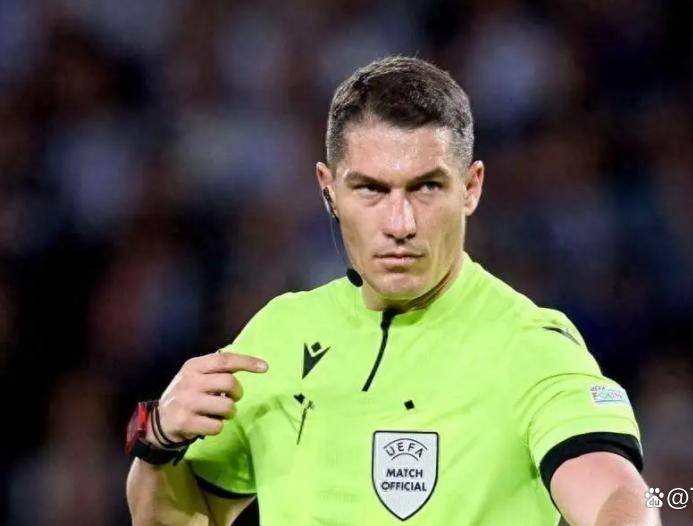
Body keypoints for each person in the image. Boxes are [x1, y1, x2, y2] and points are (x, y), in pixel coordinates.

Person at [125, 56, 660, 526]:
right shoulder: (278, 335)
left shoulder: (531, 346)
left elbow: (616, 493)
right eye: (370, 189)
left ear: (470, 187)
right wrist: (158, 439)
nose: (400, 223)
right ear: (329, 190)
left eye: (427, 187)